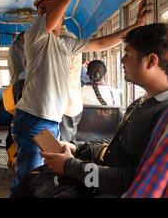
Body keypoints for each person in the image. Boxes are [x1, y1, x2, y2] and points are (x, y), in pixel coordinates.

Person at [10, 0, 151, 195]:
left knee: (38, 179)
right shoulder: (37, 36)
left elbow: (100, 44)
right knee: (28, 178)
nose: (51, 11)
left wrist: (136, 27)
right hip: (34, 118)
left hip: (49, 119)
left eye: (53, 8)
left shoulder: (65, 43)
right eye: (45, 8)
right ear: (42, 15)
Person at [41, 23, 168, 197]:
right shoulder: (142, 102)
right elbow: (116, 144)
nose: (122, 60)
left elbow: (128, 182)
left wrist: (70, 167)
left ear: (151, 61)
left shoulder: (162, 117)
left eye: (127, 54)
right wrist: (77, 148)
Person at [124, 107, 167, 198]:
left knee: (88, 176)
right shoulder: (140, 103)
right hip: (119, 177)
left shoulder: (161, 110)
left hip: (123, 183)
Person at [59, 27, 84, 142]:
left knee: (62, 146)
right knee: (69, 142)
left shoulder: (61, 40)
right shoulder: (73, 38)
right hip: (74, 102)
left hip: (64, 104)